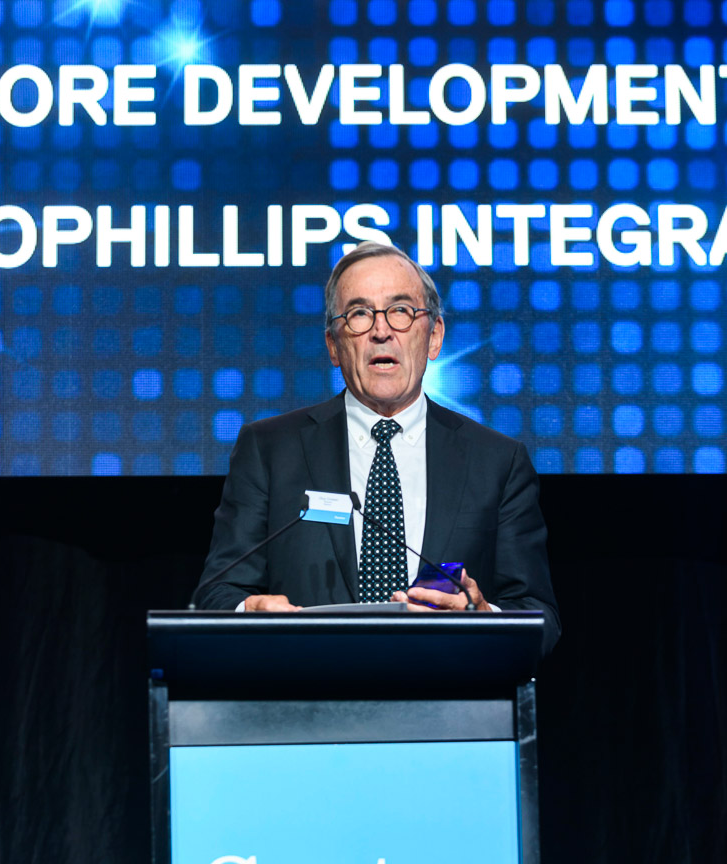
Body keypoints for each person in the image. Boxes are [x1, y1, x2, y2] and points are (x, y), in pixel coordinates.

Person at [197, 241, 560, 654]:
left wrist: (483, 617)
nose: (381, 331)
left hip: (446, 687)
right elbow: (217, 593)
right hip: (307, 683)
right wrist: (249, 612)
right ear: (333, 345)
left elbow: (540, 617)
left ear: (434, 336)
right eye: (359, 314)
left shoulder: (497, 462)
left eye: (401, 311)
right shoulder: (269, 450)